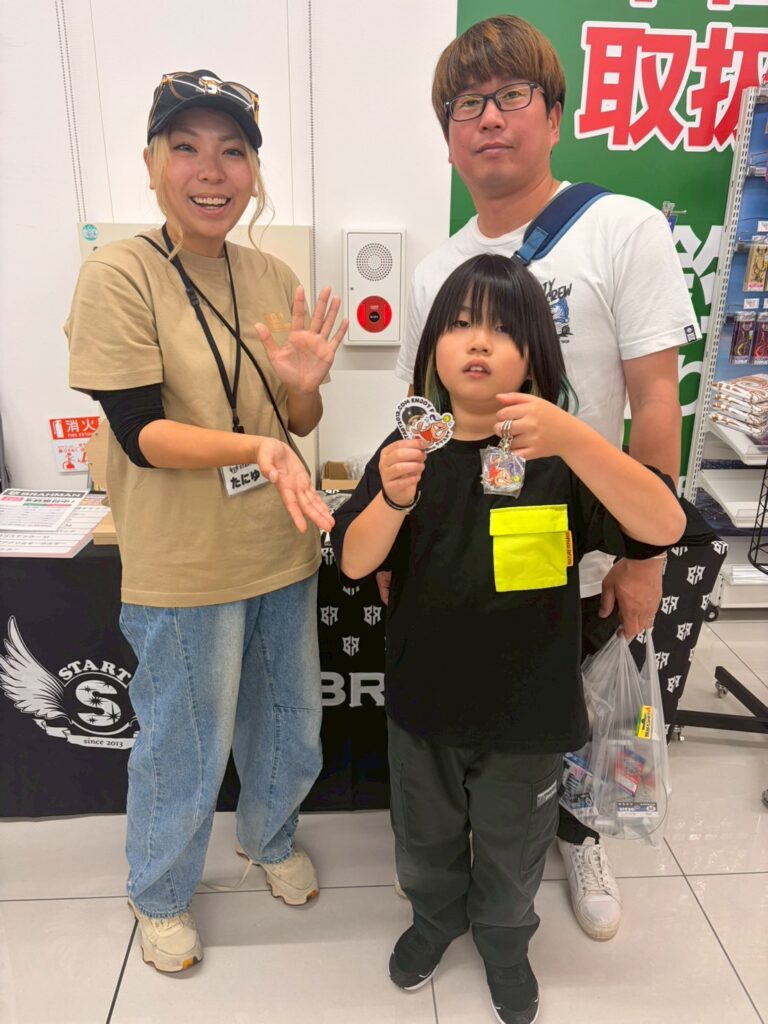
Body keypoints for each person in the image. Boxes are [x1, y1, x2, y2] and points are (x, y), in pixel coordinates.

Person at [392, 15, 699, 941]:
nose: (489, 118)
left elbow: (656, 400)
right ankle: (482, 855)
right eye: (466, 105)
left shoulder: (622, 228)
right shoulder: (439, 270)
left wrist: (646, 558)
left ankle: (581, 832)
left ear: (554, 114)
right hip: (472, 553)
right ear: (447, 135)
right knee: (502, 713)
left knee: (578, 707)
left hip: (587, 538)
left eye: (511, 96)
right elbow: (423, 411)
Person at [332, 253, 686, 1024]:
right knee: (424, 839)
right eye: (460, 324)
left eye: (501, 328)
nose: (478, 341)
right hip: (424, 707)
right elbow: (354, 563)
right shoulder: (409, 452)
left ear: (534, 354)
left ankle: (504, 942)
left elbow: (664, 524)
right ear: (433, 345)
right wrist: (391, 498)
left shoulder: (559, 459)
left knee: (514, 845)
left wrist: (576, 438)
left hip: (530, 714)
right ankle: (434, 921)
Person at [66, 70, 347, 973]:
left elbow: (295, 423)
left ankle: (269, 838)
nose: (210, 170)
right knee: (183, 745)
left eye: (232, 151)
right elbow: (141, 433)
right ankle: (158, 893)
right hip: (184, 563)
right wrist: (257, 446)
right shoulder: (119, 274)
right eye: (185, 147)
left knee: (289, 722)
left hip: (281, 546)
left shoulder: (272, 275)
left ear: (254, 173)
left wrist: (304, 393)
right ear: (152, 164)